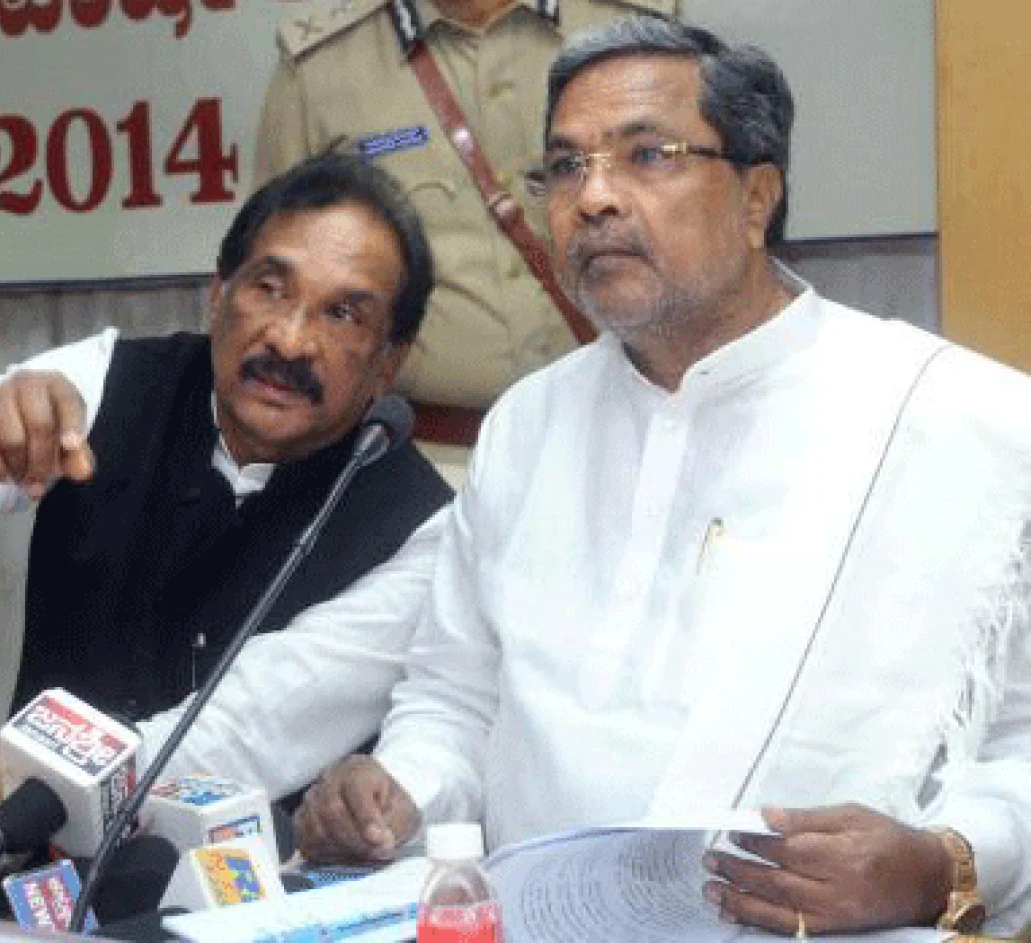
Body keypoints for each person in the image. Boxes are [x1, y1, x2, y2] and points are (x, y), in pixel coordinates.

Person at [293, 15, 1031, 937]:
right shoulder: (527, 423)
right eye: (565, 166)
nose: (593, 198)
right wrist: (396, 789)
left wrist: (941, 863)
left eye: (647, 155)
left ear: (757, 198)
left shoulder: (958, 422)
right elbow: (454, 699)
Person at [0, 154, 453, 795]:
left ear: (390, 363)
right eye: (270, 288)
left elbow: (238, 738)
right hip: (27, 849)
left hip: (248, 856)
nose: (289, 340)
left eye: (342, 315)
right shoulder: (111, 378)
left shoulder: (420, 528)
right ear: (218, 295)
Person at [257, 0, 676, 437]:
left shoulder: (634, 32)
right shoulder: (320, 69)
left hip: (632, 435)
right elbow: (274, 277)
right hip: (425, 451)